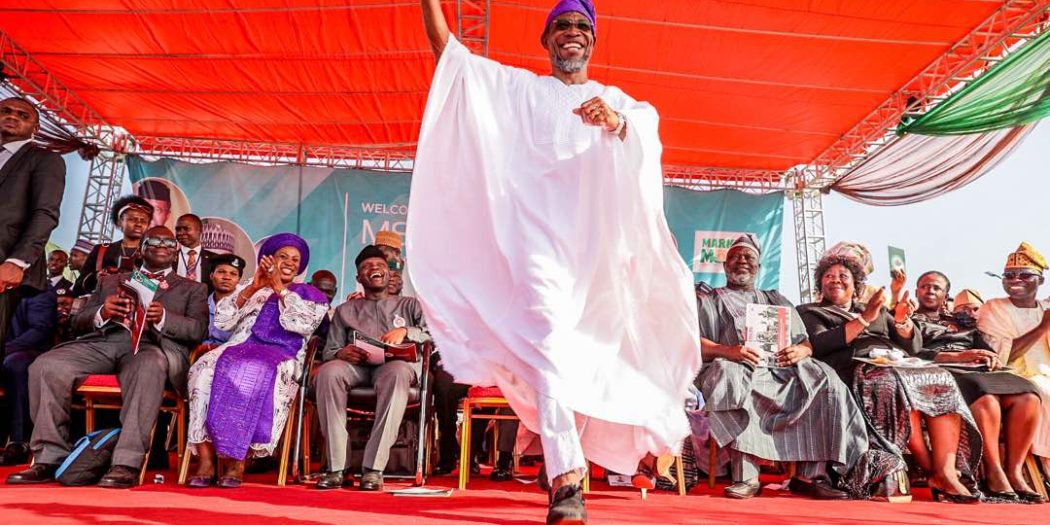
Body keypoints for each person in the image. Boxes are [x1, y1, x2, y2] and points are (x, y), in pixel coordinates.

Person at [413, 1, 702, 522]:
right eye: (562, 26)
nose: (572, 33)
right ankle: (566, 480)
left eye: (582, 27)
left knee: (591, 362)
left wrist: (616, 123)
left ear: (593, 41)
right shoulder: (521, 90)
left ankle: (605, 452)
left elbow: (645, 132)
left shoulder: (617, 100)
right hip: (538, 251)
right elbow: (450, 55)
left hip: (597, 262)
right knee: (547, 346)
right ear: (546, 40)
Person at [7, 226, 208, 488]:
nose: (162, 245)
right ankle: (49, 457)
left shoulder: (192, 288)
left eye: (169, 243)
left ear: (176, 251)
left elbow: (198, 330)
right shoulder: (111, 281)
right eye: (154, 241)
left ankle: (126, 463)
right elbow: (77, 322)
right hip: (103, 343)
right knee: (46, 365)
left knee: (151, 366)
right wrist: (103, 311)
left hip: (150, 347)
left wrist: (164, 318)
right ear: (141, 249)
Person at [798, 255, 982, 503]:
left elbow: (913, 347)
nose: (835, 280)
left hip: (898, 363)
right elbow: (819, 344)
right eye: (828, 276)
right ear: (820, 283)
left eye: (843, 276)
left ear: (856, 284)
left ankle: (946, 471)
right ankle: (932, 470)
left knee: (940, 378)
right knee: (892, 382)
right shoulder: (810, 312)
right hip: (855, 368)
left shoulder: (878, 310)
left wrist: (903, 321)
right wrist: (864, 319)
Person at [695, 235, 862, 500]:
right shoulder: (709, 299)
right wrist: (729, 351)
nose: (742, 260)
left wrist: (802, 350)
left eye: (748, 257)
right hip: (736, 363)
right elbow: (694, 342)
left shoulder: (776, 299)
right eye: (735, 256)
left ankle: (811, 476)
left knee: (825, 379)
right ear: (725, 266)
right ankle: (746, 476)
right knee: (730, 376)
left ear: (758, 267)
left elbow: (803, 341)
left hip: (781, 368)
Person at [185, 233, 328, 488]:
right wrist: (253, 288)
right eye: (283, 256)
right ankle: (205, 459)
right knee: (203, 369)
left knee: (251, 371)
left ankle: (237, 460)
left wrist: (279, 289)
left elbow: (302, 325)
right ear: (270, 259)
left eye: (295, 259)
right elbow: (222, 323)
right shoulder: (250, 287)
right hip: (237, 348)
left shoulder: (309, 294)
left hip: (281, 355)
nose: (289, 262)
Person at [912, 273, 1043, 503]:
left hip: (978, 369)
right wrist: (958, 356)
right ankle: (993, 471)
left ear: (946, 295)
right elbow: (911, 352)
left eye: (936, 287)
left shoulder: (962, 322)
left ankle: (1014, 471)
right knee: (987, 399)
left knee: (1029, 395)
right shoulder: (909, 320)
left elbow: (984, 348)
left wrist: (990, 357)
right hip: (944, 370)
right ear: (916, 292)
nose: (930, 291)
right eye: (924, 286)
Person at [312, 245, 430, 491]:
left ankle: (373, 469)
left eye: (380, 265)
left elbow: (433, 333)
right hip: (356, 368)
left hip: (393, 367)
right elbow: (330, 350)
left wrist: (406, 331)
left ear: (389, 274)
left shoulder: (410, 305)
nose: (374, 268)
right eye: (367, 266)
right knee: (329, 372)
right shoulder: (345, 311)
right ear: (359, 278)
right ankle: (337, 468)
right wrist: (341, 353)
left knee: (397, 373)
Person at [978, 242, 1050, 477]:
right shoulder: (993, 308)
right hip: (1012, 378)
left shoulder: (1046, 308)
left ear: (1040, 280)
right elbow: (1002, 356)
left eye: (1025, 275)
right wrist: (1043, 327)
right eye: (1009, 275)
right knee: (1043, 392)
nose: (1015, 279)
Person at [0, 97, 66, 355]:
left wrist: (17, 262)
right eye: (5, 111)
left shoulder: (44, 159)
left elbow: (45, 213)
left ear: (35, 128)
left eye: (23, 115)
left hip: (4, 266)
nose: (12, 116)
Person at [0, 287, 58, 465]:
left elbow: (39, 331)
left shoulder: (38, 290)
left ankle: (19, 441)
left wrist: (4, 349)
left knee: (16, 365)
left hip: (30, 351)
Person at [73, 195, 153, 296]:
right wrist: (97, 276)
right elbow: (77, 288)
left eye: (143, 221)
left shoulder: (153, 253)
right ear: (119, 222)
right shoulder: (101, 250)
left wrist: (136, 276)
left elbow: (161, 291)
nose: (138, 224)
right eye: (132, 219)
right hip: (102, 304)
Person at [202, 254, 246, 346]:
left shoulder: (246, 303)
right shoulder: (202, 301)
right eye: (221, 272)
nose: (227, 277)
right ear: (211, 275)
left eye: (233, 274)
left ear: (239, 279)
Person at [173, 214, 217, 283]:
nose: (181, 233)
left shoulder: (214, 259)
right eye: (178, 229)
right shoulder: (170, 258)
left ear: (200, 230)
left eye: (186, 229)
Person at [308, 270, 338, 342]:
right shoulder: (294, 311)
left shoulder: (339, 318)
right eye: (319, 291)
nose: (323, 296)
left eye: (328, 292)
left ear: (335, 292)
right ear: (308, 286)